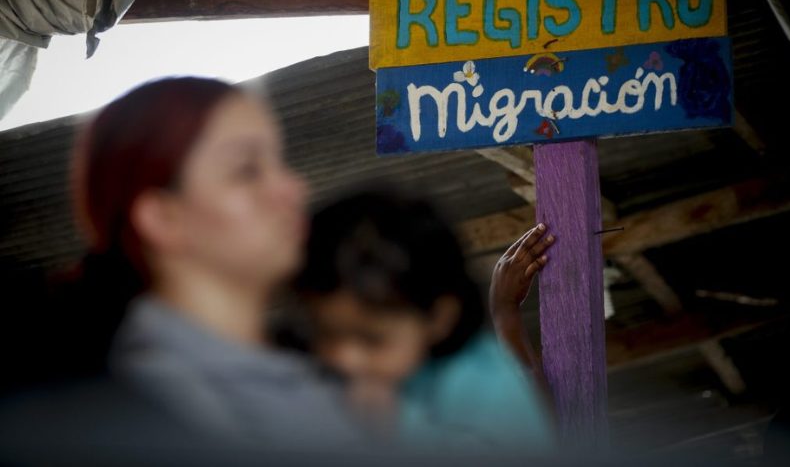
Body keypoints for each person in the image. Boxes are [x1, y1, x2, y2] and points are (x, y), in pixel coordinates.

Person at [69, 76, 364, 451]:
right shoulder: (161, 408)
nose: (294, 187)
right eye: (247, 170)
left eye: (279, 162)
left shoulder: (295, 371)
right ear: (163, 217)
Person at [291, 190, 556, 453]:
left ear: (439, 318)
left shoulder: (489, 401)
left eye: (372, 340)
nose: (344, 357)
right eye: (325, 333)